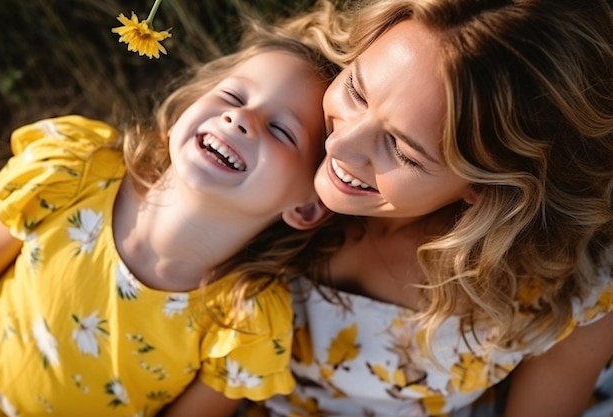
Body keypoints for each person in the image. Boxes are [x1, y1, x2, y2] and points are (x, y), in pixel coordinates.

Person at [244, 0, 613, 416]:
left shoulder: (562, 295)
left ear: (487, 185)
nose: (338, 145)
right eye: (355, 90)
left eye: (402, 150)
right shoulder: (260, 122)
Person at [0, 15, 341, 417]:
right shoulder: (74, 174)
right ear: (187, 109)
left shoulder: (243, 320)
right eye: (233, 97)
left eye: (282, 130)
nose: (240, 118)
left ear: (307, 205)